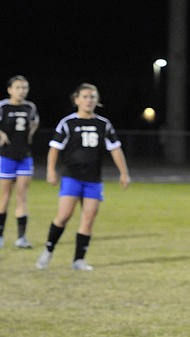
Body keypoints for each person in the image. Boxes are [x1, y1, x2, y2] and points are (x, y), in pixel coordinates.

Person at [36, 83, 130, 271]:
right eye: (85, 96)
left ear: (97, 101)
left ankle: (78, 260)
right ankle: (48, 250)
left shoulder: (103, 124)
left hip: (93, 179)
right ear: (77, 99)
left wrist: (124, 173)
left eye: (92, 97)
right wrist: (50, 171)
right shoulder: (68, 123)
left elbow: (115, 149)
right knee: (63, 217)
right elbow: (54, 148)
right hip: (72, 177)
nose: (89, 100)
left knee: (88, 219)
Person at [0, 75, 40, 249]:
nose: (22, 91)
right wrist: (0, 133)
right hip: (6, 156)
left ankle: (21, 238)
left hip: (24, 156)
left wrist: (31, 133)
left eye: (25, 87)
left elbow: (35, 121)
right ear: (10, 89)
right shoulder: (1, 106)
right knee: (5, 196)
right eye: (18, 87)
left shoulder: (30, 106)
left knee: (22, 197)